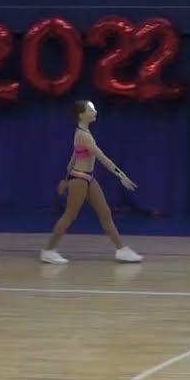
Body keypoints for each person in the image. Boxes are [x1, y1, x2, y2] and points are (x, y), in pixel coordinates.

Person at [41, 100, 143, 264]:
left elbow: (73, 158)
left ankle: (121, 250)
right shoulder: (83, 135)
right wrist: (121, 176)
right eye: (91, 110)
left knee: (105, 213)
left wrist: (64, 180)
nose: (95, 112)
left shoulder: (82, 132)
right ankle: (48, 250)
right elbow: (102, 158)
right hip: (79, 178)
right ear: (82, 115)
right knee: (70, 215)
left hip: (87, 177)